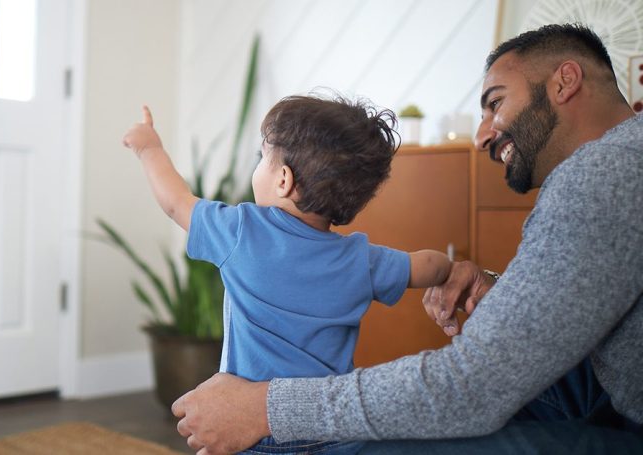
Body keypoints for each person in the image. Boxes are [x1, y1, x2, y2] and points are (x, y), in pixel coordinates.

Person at [170, 23, 643, 454]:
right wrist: (512, 298)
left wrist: (265, 407)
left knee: (383, 441)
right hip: (600, 394)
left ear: (565, 81)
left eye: (495, 102)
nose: (481, 136)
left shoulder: (602, 175)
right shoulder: (620, 164)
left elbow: (469, 387)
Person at [122, 94, 453, 454]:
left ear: (283, 180)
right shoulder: (361, 258)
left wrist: (148, 148)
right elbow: (425, 265)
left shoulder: (241, 232)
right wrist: (451, 271)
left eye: (262, 157)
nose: (258, 166)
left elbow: (176, 201)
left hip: (253, 429)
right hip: (333, 429)